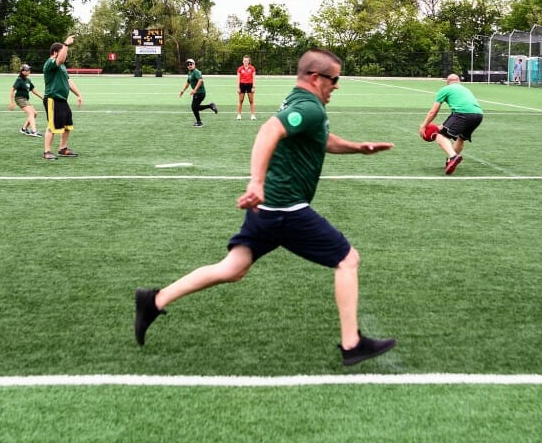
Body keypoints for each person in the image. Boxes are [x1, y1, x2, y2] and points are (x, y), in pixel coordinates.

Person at [136, 48, 397, 366]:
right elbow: (269, 130)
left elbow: (321, 138)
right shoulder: (309, 106)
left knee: (232, 269)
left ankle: (154, 300)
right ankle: (352, 343)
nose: (337, 86)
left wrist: (358, 148)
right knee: (347, 259)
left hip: (268, 209)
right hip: (285, 208)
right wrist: (256, 182)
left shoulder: (299, 101)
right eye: (334, 79)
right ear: (316, 78)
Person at [419, 73, 484, 175]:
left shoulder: (445, 89)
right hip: (478, 115)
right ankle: (450, 161)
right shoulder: (465, 89)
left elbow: (434, 111)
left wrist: (424, 125)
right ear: (459, 81)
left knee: (440, 136)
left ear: (447, 82)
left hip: (462, 114)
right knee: (461, 138)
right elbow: (455, 115)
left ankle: (453, 157)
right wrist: (442, 125)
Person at [42, 35, 84, 160]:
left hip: (62, 100)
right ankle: (47, 152)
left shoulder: (62, 66)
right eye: (62, 52)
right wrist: (66, 44)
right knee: (52, 126)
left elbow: (68, 81)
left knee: (67, 125)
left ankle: (62, 148)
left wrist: (78, 94)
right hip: (52, 99)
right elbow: (59, 60)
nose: (65, 54)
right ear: (55, 53)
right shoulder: (50, 63)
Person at [179, 58, 217, 127]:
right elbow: (188, 82)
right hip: (197, 93)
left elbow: (200, 80)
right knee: (194, 107)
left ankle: (209, 107)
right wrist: (183, 90)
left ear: (194, 64)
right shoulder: (190, 73)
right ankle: (199, 121)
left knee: (194, 107)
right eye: (188, 64)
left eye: (191, 64)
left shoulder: (196, 72)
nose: (189, 65)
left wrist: (195, 90)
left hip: (200, 92)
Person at [9, 64, 44, 136]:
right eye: (27, 70)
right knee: (31, 113)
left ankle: (23, 129)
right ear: (22, 71)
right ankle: (34, 131)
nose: (29, 71)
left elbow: (33, 90)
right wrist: (12, 103)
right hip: (20, 99)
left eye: (29, 69)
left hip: (25, 99)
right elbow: (12, 90)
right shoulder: (19, 80)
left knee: (35, 113)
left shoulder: (28, 80)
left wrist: (43, 98)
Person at [236, 54, 257, 120]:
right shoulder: (240, 69)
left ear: (249, 61)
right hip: (242, 85)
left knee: (251, 101)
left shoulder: (252, 68)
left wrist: (253, 87)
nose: (245, 62)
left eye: (247, 61)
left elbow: (254, 78)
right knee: (240, 100)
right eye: (244, 61)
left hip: (250, 85)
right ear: (243, 61)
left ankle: (252, 115)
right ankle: (239, 115)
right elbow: (238, 78)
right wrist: (238, 87)